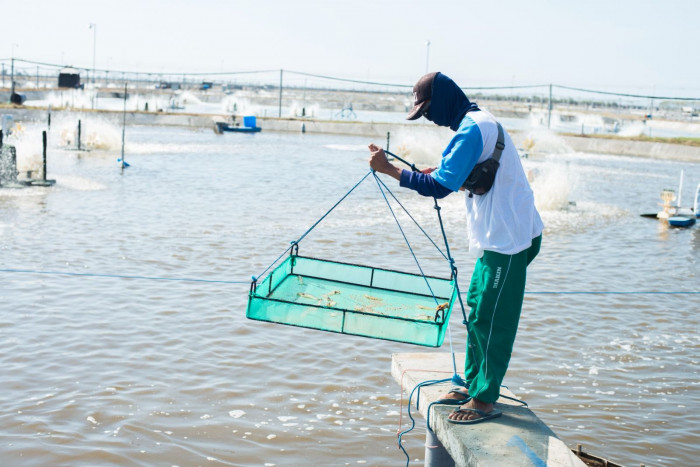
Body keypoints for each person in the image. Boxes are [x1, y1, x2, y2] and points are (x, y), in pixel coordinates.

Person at [368, 72, 543, 425]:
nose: (429, 118)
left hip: (509, 239)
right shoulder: (475, 123)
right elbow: (463, 173)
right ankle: (471, 383)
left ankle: (484, 399)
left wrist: (389, 170)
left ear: (445, 99)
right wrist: (441, 172)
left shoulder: (472, 128)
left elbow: (440, 187)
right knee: (478, 311)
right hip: (496, 237)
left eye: (429, 109)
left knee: (494, 320)